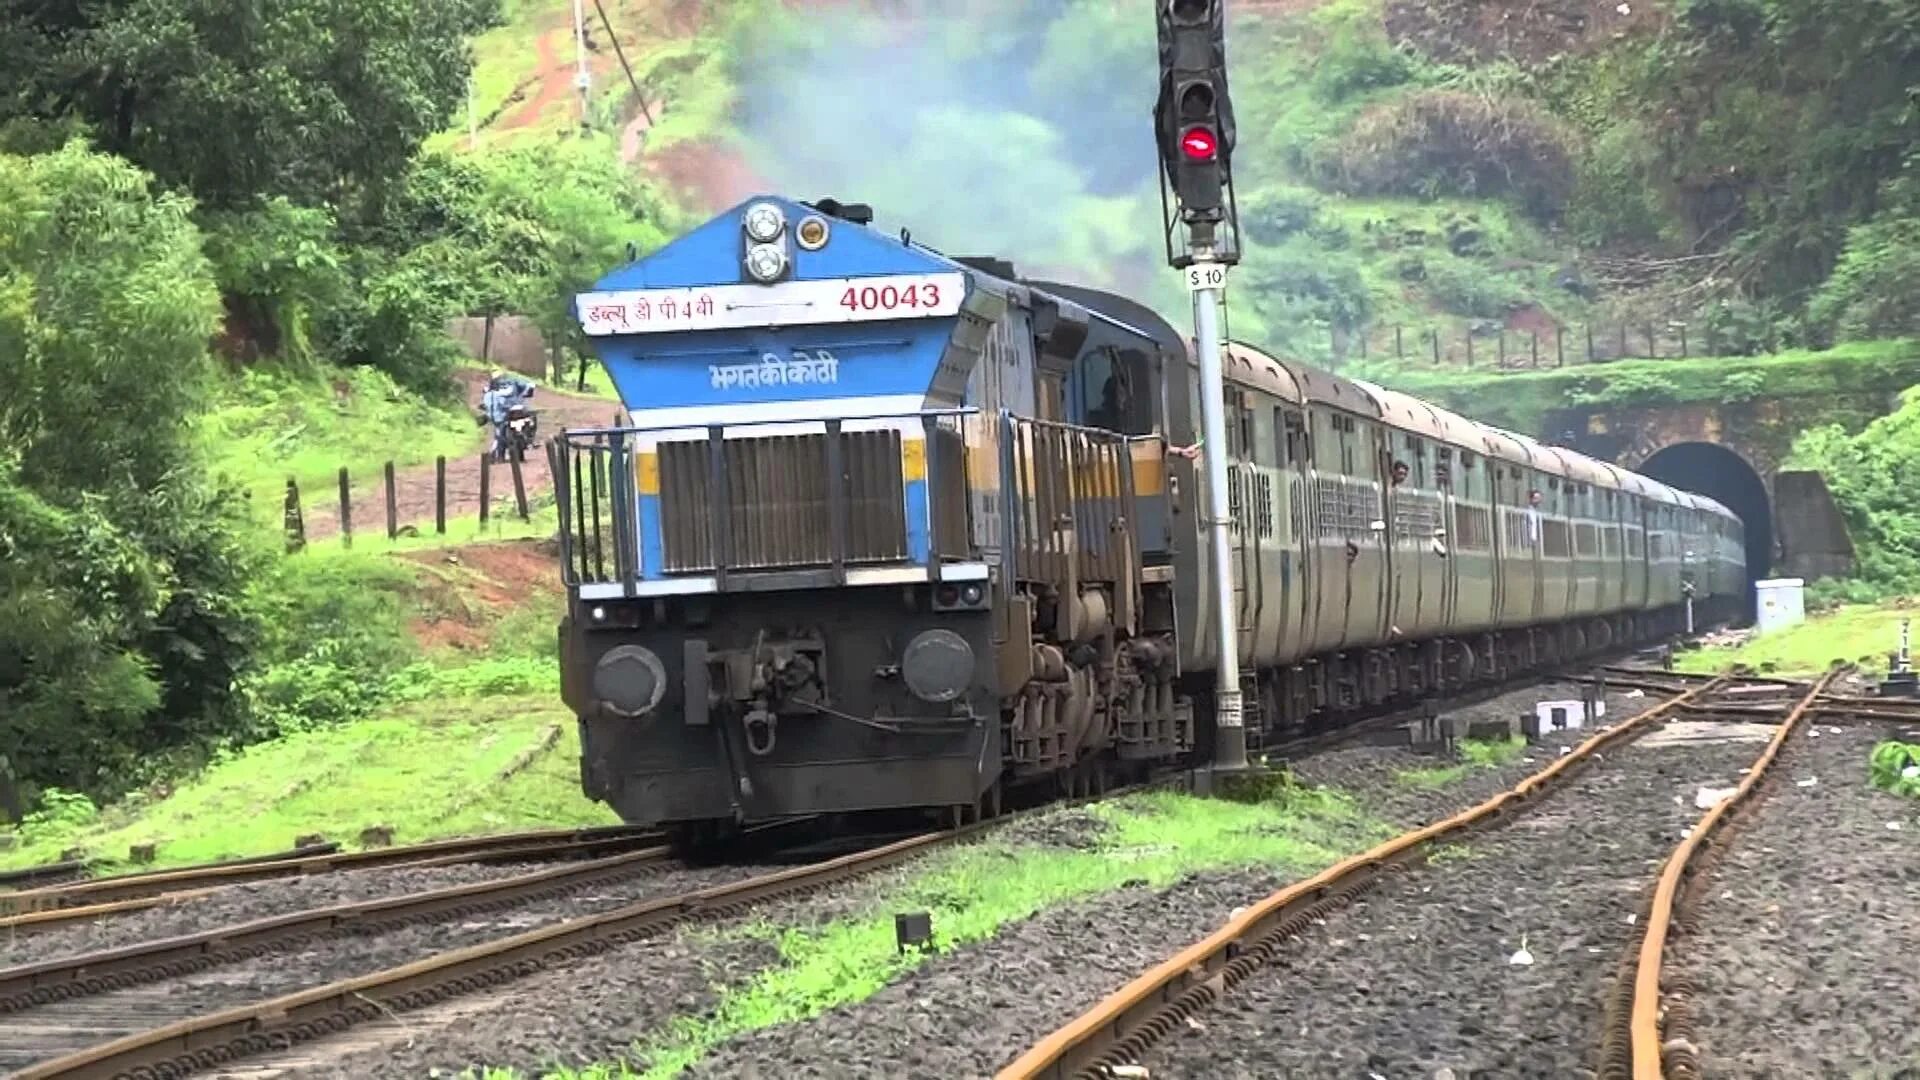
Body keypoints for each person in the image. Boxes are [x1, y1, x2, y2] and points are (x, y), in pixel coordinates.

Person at [482, 371, 536, 462]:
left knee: (500, 432)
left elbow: (529, 387)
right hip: (503, 413)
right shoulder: (494, 390)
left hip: (509, 412)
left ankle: (500, 455)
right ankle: (499, 455)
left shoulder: (512, 383)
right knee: (500, 433)